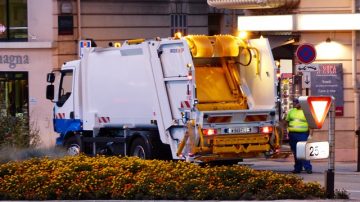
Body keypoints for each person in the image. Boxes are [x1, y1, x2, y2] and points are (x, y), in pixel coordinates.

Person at [285, 97, 312, 174]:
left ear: (301, 103)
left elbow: (310, 124)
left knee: (303, 151)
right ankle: (297, 168)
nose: (295, 104)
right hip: (292, 134)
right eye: (294, 102)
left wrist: (310, 135)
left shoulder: (306, 112)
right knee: (296, 152)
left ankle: (308, 168)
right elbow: (287, 122)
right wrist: (287, 131)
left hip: (302, 134)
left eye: (296, 102)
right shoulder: (291, 111)